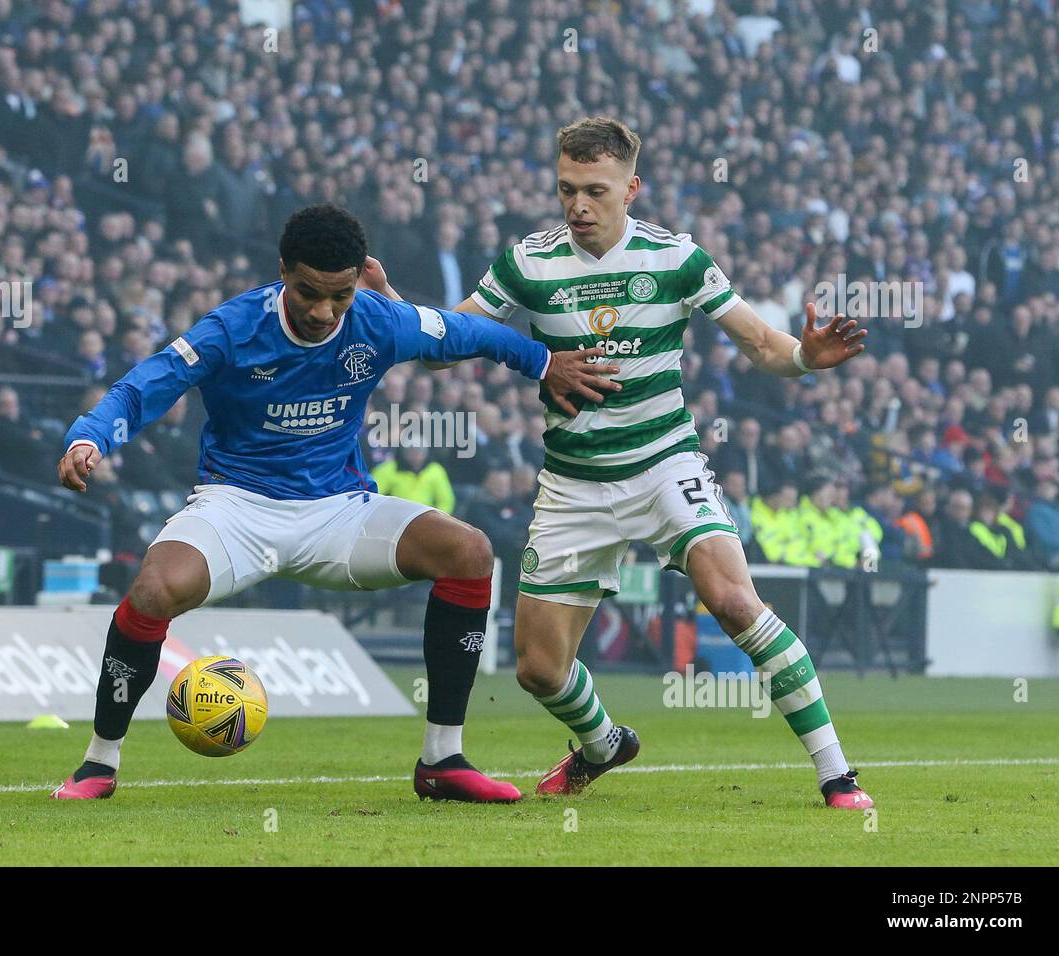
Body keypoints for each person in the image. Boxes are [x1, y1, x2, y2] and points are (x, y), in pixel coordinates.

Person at [366, 117, 873, 809]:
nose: (578, 206)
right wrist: (392, 306)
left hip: (666, 464)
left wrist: (805, 358)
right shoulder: (529, 261)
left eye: (595, 191)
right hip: (573, 483)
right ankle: (605, 744)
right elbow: (451, 338)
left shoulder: (677, 258)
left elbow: (759, 344)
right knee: (540, 671)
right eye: (567, 189)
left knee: (732, 601)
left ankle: (838, 774)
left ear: (631, 189)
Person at [50, 204, 614, 803]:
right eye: (308, 294)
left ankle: (442, 760)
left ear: (357, 280)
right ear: (283, 272)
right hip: (236, 507)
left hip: (339, 511)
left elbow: (468, 332)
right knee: (153, 593)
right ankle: (99, 763)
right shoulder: (232, 329)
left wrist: (545, 361)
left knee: (469, 552)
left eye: (339, 296)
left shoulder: (377, 320)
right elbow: (146, 385)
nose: (323, 312)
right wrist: (89, 436)